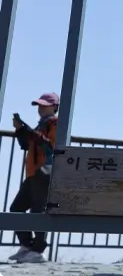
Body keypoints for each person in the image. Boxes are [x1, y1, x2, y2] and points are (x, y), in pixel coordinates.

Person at [8, 92, 59, 264]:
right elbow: (26, 145)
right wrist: (21, 130)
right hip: (33, 173)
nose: (41, 108)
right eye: (39, 105)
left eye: (44, 105)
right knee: (16, 209)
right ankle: (27, 246)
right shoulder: (41, 125)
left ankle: (38, 250)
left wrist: (28, 131)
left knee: (38, 211)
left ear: (54, 106)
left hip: (44, 172)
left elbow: (50, 146)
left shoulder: (55, 123)